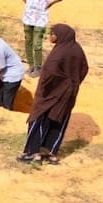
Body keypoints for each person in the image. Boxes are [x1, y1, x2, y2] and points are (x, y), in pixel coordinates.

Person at [18, 24, 88, 165]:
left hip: (51, 94)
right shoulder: (76, 49)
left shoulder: (58, 54)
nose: (50, 36)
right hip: (68, 94)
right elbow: (84, 68)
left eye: (52, 34)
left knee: (38, 119)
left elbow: (49, 74)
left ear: (61, 35)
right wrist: (73, 83)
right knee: (58, 120)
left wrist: (46, 90)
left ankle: (33, 153)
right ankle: (51, 154)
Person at [16, 0, 73, 77]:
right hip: (28, 17)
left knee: (37, 43)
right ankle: (30, 65)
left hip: (41, 18)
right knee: (28, 42)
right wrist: (25, 0)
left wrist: (53, 2)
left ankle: (38, 67)